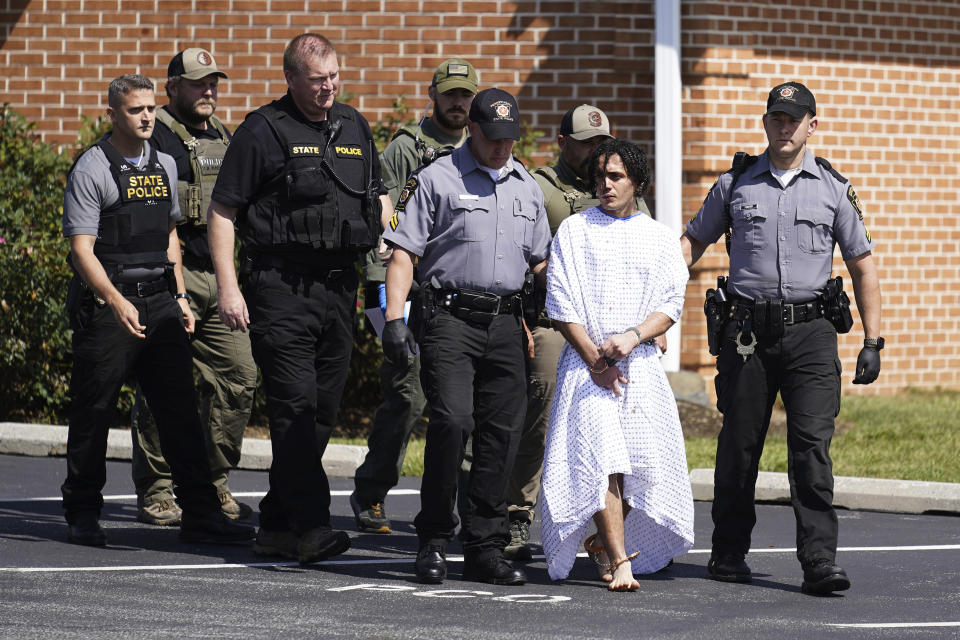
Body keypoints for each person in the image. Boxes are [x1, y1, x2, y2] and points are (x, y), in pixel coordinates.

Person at [681, 81, 883, 595]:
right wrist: (650, 304)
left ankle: (819, 562)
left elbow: (861, 263)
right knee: (739, 448)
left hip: (812, 333)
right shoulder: (735, 184)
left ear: (812, 124)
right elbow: (691, 244)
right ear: (765, 122)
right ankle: (727, 553)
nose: (784, 126)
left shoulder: (833, 187)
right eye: (776, 117)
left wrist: (873, 340)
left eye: (794, 119)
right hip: (746, 331)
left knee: (811, 448)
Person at [207, 34, 392, 565]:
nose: (329, 86)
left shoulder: (353, 125)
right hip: (279, 288)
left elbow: (377, 194)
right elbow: (222, 212)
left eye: (335, 75)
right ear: (290, 79)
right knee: (294, 408)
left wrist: (388, 230)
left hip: (339, 289)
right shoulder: (262, 131)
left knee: (322, 413)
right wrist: (228, 287)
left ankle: (275, 522)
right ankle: (312, 526)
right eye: (318, 79)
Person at [60, 74, 255, 547]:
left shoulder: (164, 163)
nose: (146, 117)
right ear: (113, 115)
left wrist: (182, 296)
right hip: (110, 306)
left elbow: (169, 236)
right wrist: (115, 300)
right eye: (135, 110)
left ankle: (202, 514)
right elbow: (82, 250)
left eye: (150, 108)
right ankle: (83, 512)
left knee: (179, 411)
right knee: (94, 410)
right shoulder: (93, 167)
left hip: (161, 301)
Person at [381, 88, 551, 586]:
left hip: (506, 323)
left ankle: (485, 547)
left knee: (501, 435)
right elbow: (403, 254)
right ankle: (434, 539)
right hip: (449, 319)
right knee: (453, 422)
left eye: (510, 139)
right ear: (472, 129)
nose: (503, 148)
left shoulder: (527, 187)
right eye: (493, 138)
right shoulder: (435, 178)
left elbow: (541, 263)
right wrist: (394, 318)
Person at [504, 104, 659, 560]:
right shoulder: (537, 187)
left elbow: (647, 255)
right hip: (555, 324)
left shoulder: (622, 183)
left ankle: (608, 534)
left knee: (635, 430)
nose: (596, 154)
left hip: (621, 334)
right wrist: (519, 319)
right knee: (543, 409)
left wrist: (652, 327)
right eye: (586, 143)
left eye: (601, 143)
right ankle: (517, 515)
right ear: (562, 141)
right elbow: (514, 256)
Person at [539, 139, 695, 591]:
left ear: (638, 183)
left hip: (640, 363)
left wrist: (631, 338)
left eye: (616, 177)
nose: (604, 185)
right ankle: (621, 561)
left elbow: (670, 304)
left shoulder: (662, 238)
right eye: (599, 177)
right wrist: (596, 361)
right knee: (603, 459)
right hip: (586, 367)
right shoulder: (574, 230)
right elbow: (561, 302)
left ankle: (605, 544)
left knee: (643, 463)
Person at [130, 47, 258, 527]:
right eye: (199, 83)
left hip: (220, 276)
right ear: (173, 87)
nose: (209, 90)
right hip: (168, 277)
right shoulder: (152, 132)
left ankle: (212, 481)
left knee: (239, 378)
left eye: (214, 82)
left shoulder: (224, 135)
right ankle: (159, 489)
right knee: (164, 386)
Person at [351, 58, 478, 534]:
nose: (458, 103)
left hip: (454, 291)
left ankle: (465, 509)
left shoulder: (482, 147)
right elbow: (383, 213)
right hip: (399, 282)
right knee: (407, 394)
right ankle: (371, 492)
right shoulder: (408, 148)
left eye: (466, 94)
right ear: (433, 94)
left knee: (461, 400)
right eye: (450, 94)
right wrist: (386, 295)